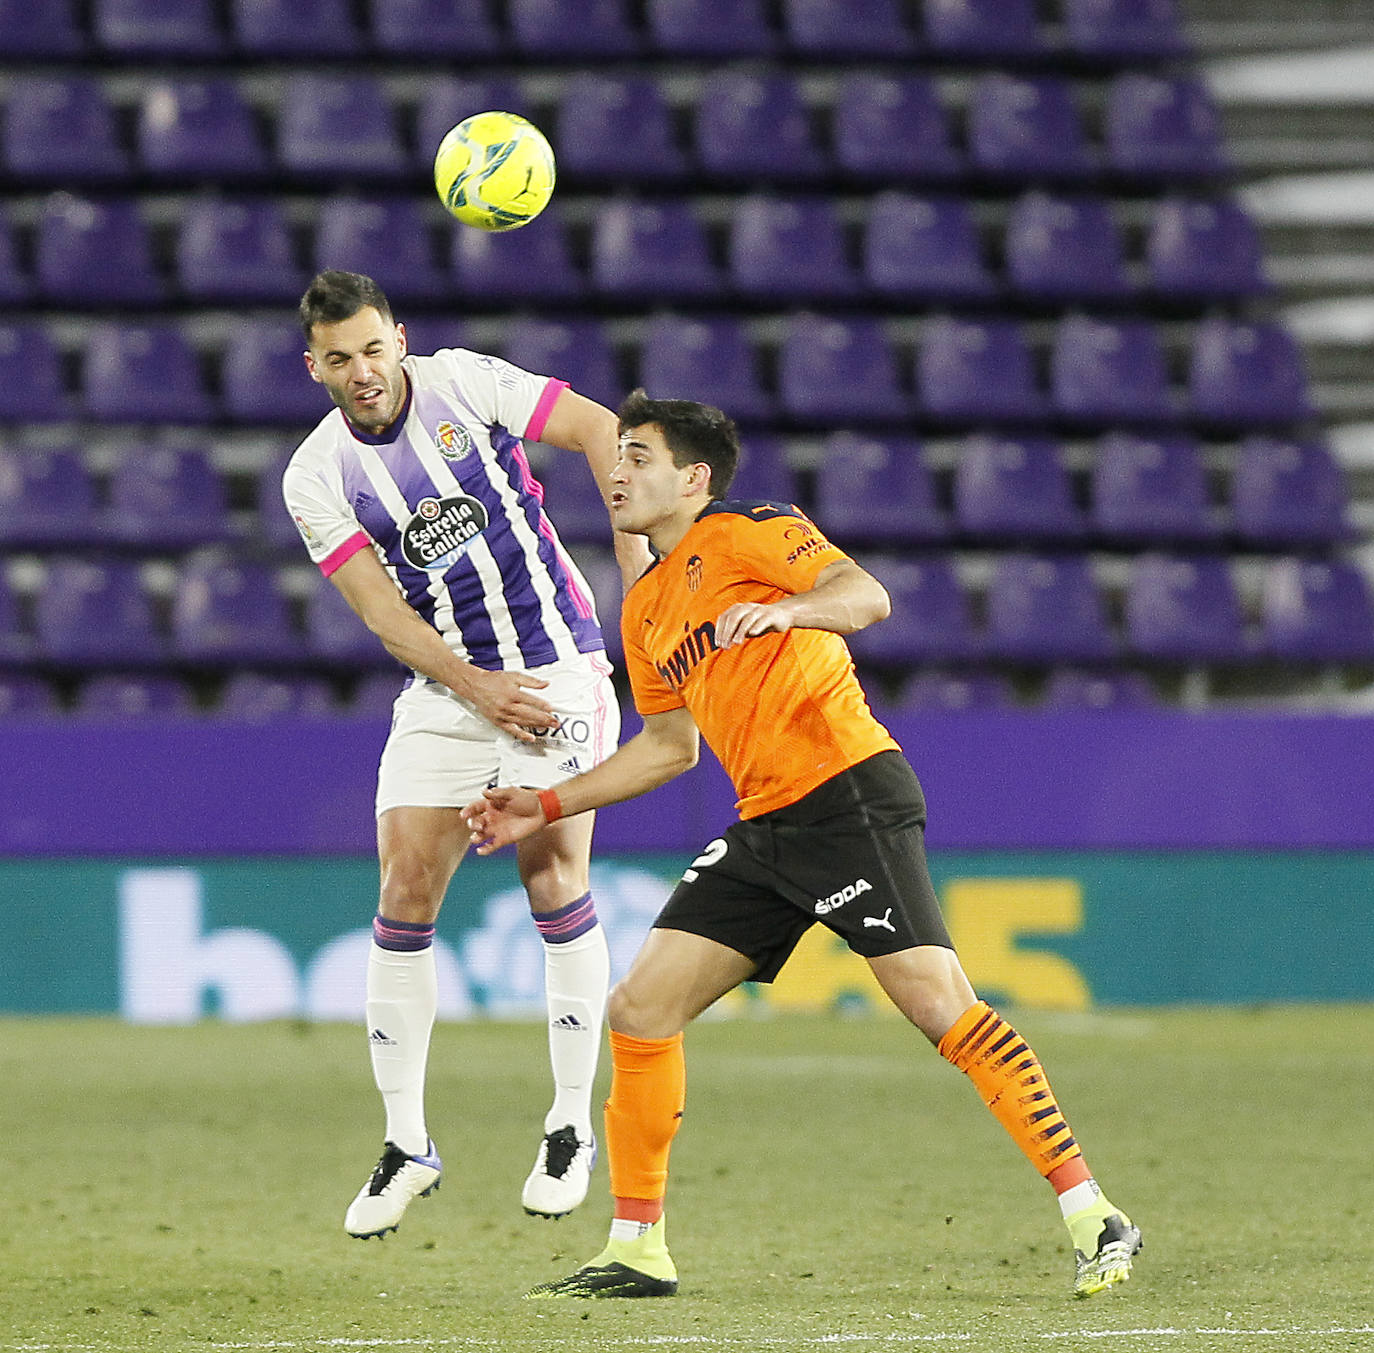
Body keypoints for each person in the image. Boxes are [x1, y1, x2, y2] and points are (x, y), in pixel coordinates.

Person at [465, 390, 1142, 1301]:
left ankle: (1094, 1211)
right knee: (640, 1008)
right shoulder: (648, 605)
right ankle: (637, 1247)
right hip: (767, 824)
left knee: (942, 1007)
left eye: (638, 456)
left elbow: (867, 595)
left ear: (692, 477)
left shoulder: (753, 527)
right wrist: (545, 802)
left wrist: (792, 613)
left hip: (848, 793)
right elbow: (669, 749)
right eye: (614, 455)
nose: (616, 472)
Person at [281, 270, 649, 1239]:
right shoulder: (315, 475)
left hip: (558, 668)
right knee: (404, 883)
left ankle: (571, 1123)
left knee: (552, 869)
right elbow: (379, 608)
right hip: (447, 684)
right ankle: (408, 1145)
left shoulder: (464, 383)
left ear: (398, 339)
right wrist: (474, 687)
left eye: (372, 349)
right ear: (311, 367)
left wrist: (637, 561)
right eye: (338, 360)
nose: (362, 373)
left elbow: (601, 427)